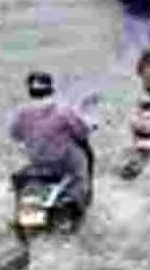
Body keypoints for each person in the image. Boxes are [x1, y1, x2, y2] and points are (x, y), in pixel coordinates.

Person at [8, 72, 94, 205]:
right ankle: (83, 195)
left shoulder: (21, 113)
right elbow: (81, 132)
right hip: (64, 162)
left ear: (30, 91)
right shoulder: (63, 111)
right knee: (83, 161)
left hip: (37, 161)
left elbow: (15, 134)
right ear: (51, 89)